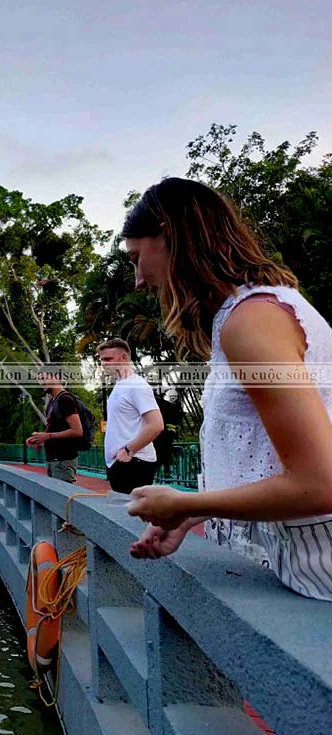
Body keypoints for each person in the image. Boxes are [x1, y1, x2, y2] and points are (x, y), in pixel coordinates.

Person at [122, 177, 332, 601]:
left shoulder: (252, 322)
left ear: (167, 235)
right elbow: (267, 461)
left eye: (136, 257)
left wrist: (186, 505)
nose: (139, 280)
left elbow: (320, 483)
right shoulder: (258, 310)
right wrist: (187, 513)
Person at [98, 338, 163, 493]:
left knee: (130, 515)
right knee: (121, 513)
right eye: (101, 360)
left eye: (108, 359)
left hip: (134, 462)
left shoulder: (136, 385)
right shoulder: (120, 386)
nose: (103, 364)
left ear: (125, 358)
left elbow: (156, 425)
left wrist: (128, 451)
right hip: (122, 463)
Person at [26, 368, 84, 484]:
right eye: (39, 379)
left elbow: (77, 431)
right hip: (54, 460)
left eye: (43, 378)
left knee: (61, 500)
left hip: (63, 461)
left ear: (56, 377)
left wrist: (48, 436)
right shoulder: (53, 401)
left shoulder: (65, 399)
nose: (41, 382)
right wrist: (40, 440)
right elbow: (57, 431)